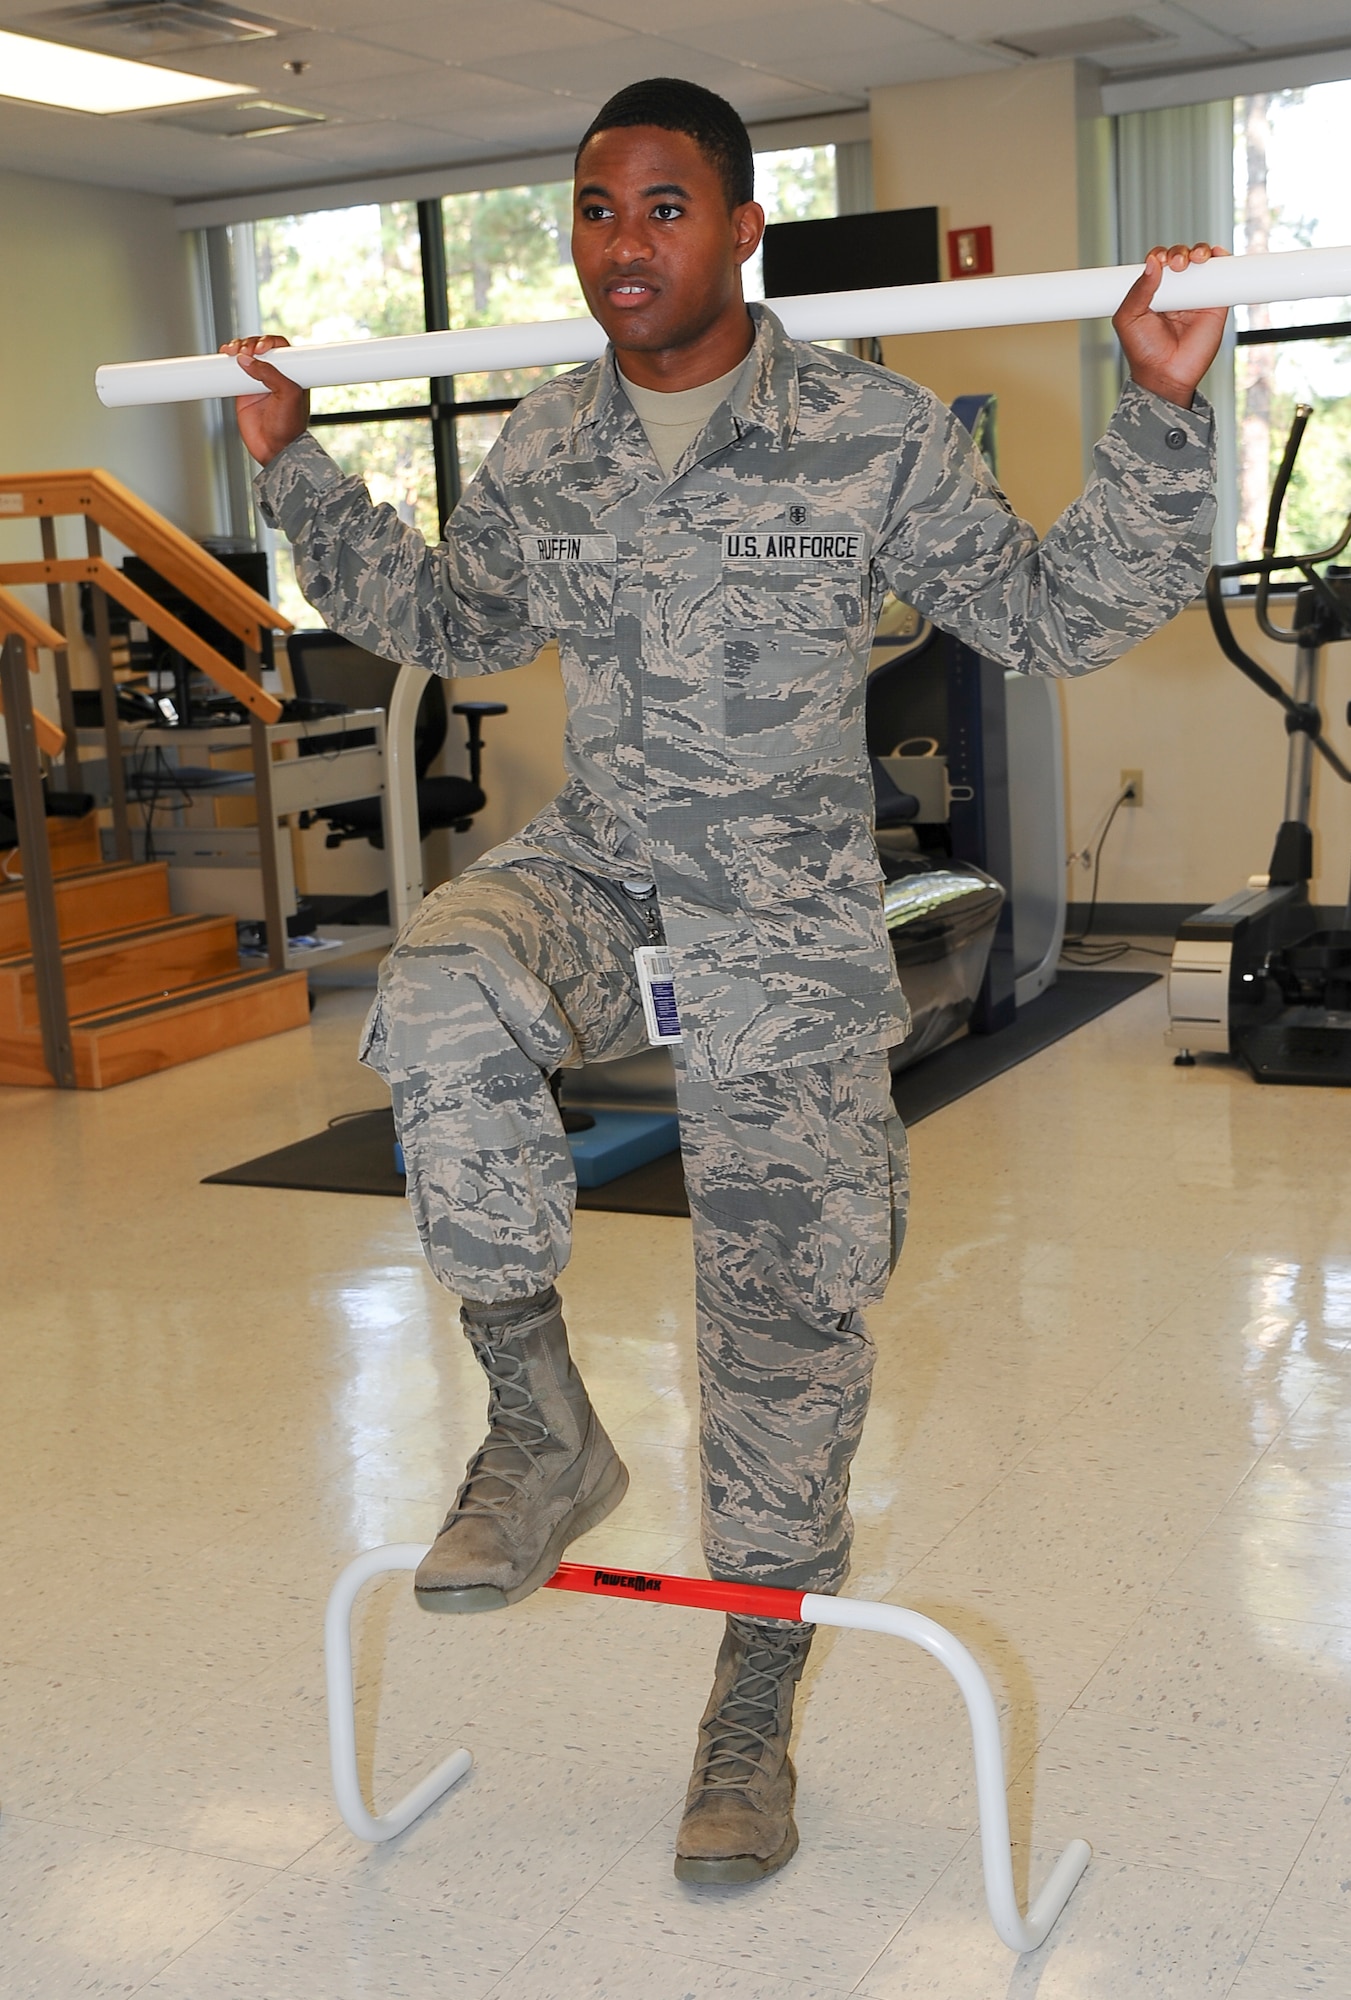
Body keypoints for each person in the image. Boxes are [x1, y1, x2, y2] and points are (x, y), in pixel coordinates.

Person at [225, 76, 1227, 1885]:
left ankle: (750, 1707)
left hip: (780, 922)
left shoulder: (869, 427)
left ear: (744, 229)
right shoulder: (547, 441)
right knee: (440, 985)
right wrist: (295, 464)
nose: (626, 245)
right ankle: (537, 1428)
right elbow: (460, 625)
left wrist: (1161, 415)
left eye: (666, 208)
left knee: (781, 1336)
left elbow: (1048, 616)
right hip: (602, 867)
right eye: (599, 211)